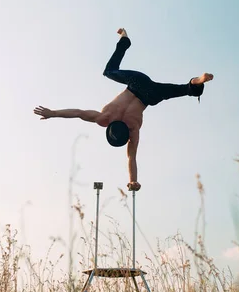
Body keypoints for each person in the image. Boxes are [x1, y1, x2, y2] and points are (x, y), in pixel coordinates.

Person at [33, 28, 214, 192]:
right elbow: (78, 113)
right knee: (109, 71)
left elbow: (131, 158)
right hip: (137, 83)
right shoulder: (104, 118)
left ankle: (195, 84)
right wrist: (53, 113)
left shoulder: (133, 129)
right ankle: (124, 42)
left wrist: (133, 181)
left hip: (151, 95)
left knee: (180, 90)